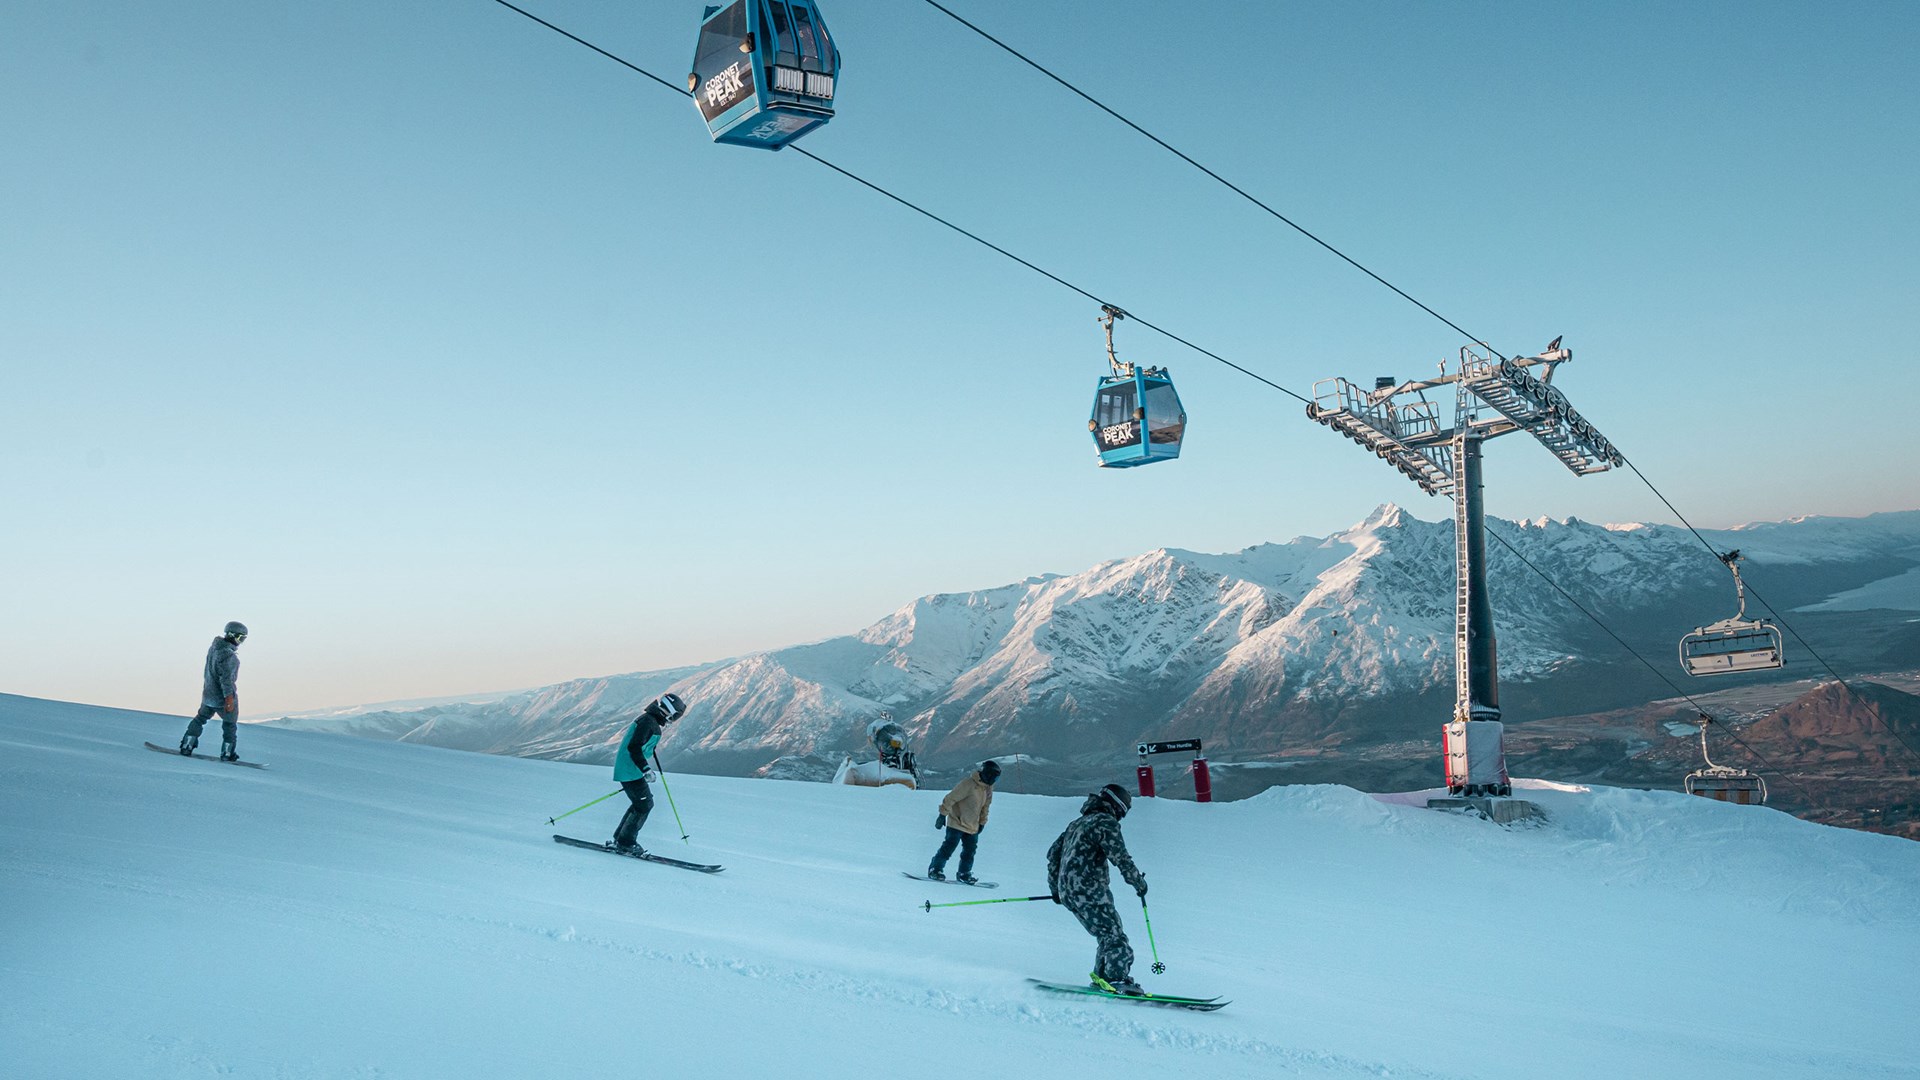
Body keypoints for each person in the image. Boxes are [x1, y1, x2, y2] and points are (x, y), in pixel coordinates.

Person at [1045, 782, 1149, 995]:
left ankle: (1104, 977)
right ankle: (1116, 980)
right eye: (1123, 812)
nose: (1121, 817)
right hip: (1089, 888)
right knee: (1114, 935)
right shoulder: (1105, 822)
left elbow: (1053, 855)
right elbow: (1120, 857)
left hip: (1069, 891)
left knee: (1107, 932)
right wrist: (1138, 882)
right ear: (1117, 806)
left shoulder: (1077, 823)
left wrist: (1057, 889)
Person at [611, 693, 686, 854]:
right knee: (644, 805)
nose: (673, 720)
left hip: (631, 770)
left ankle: (621, 839)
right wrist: (645, 768)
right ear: (669, 712)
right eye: (675, 716)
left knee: (642, 804)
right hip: (630, 770)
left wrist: (649, 753)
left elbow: (641, 744)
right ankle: (625, 843)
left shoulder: (650, 721)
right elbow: (634, 747)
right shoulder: (648, 722)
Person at [180, 621, 247, 761]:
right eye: (240, 638)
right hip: (222, 698)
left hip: (208, 695)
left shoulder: (214, 649)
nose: (241, 642)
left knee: (200, 719)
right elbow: (227, 680)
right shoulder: (229, 656)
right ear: (232, 635)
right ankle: (228, 753)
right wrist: (229, 699)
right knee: (229, 725)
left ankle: (187, 744)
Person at [927, 759, 999, 883]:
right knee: (948, 847)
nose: (994, 781)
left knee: (969, 851)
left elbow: (985, 807)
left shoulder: (987, 789)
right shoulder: (968, 784)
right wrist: (942, 814)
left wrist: (982, 822)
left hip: (972, 825)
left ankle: (964, 873)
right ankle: (935, 868)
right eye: (994, 777)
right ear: (987, 774)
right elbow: (951, 798)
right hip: (957, 822)